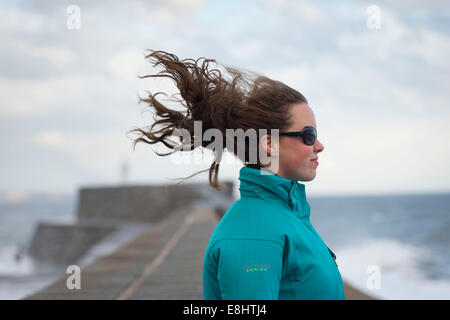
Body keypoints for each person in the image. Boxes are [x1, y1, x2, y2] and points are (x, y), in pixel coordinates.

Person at [128, 50, 345, 300]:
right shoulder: (255, 234)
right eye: (308, 136)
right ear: (270, 144)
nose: (319, 145)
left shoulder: (286, 217)